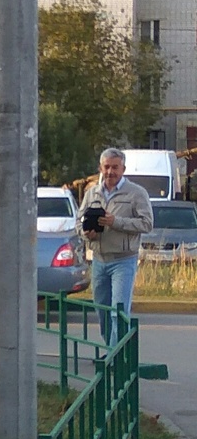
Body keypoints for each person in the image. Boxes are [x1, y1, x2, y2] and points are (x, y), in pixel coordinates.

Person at [78, 147, 154, 345]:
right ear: (100, 168)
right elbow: (79, 221)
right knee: (102, 311)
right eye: (106, 167)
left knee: (118, 311)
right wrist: (86, 233)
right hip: (99, 260)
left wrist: (116, 222)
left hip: (123, 260)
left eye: (115, 167)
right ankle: (112, 349)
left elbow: (147, 224)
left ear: (123, 169)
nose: (110, 172)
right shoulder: (92, 192)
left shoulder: (136, 193)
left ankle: (115, 357)